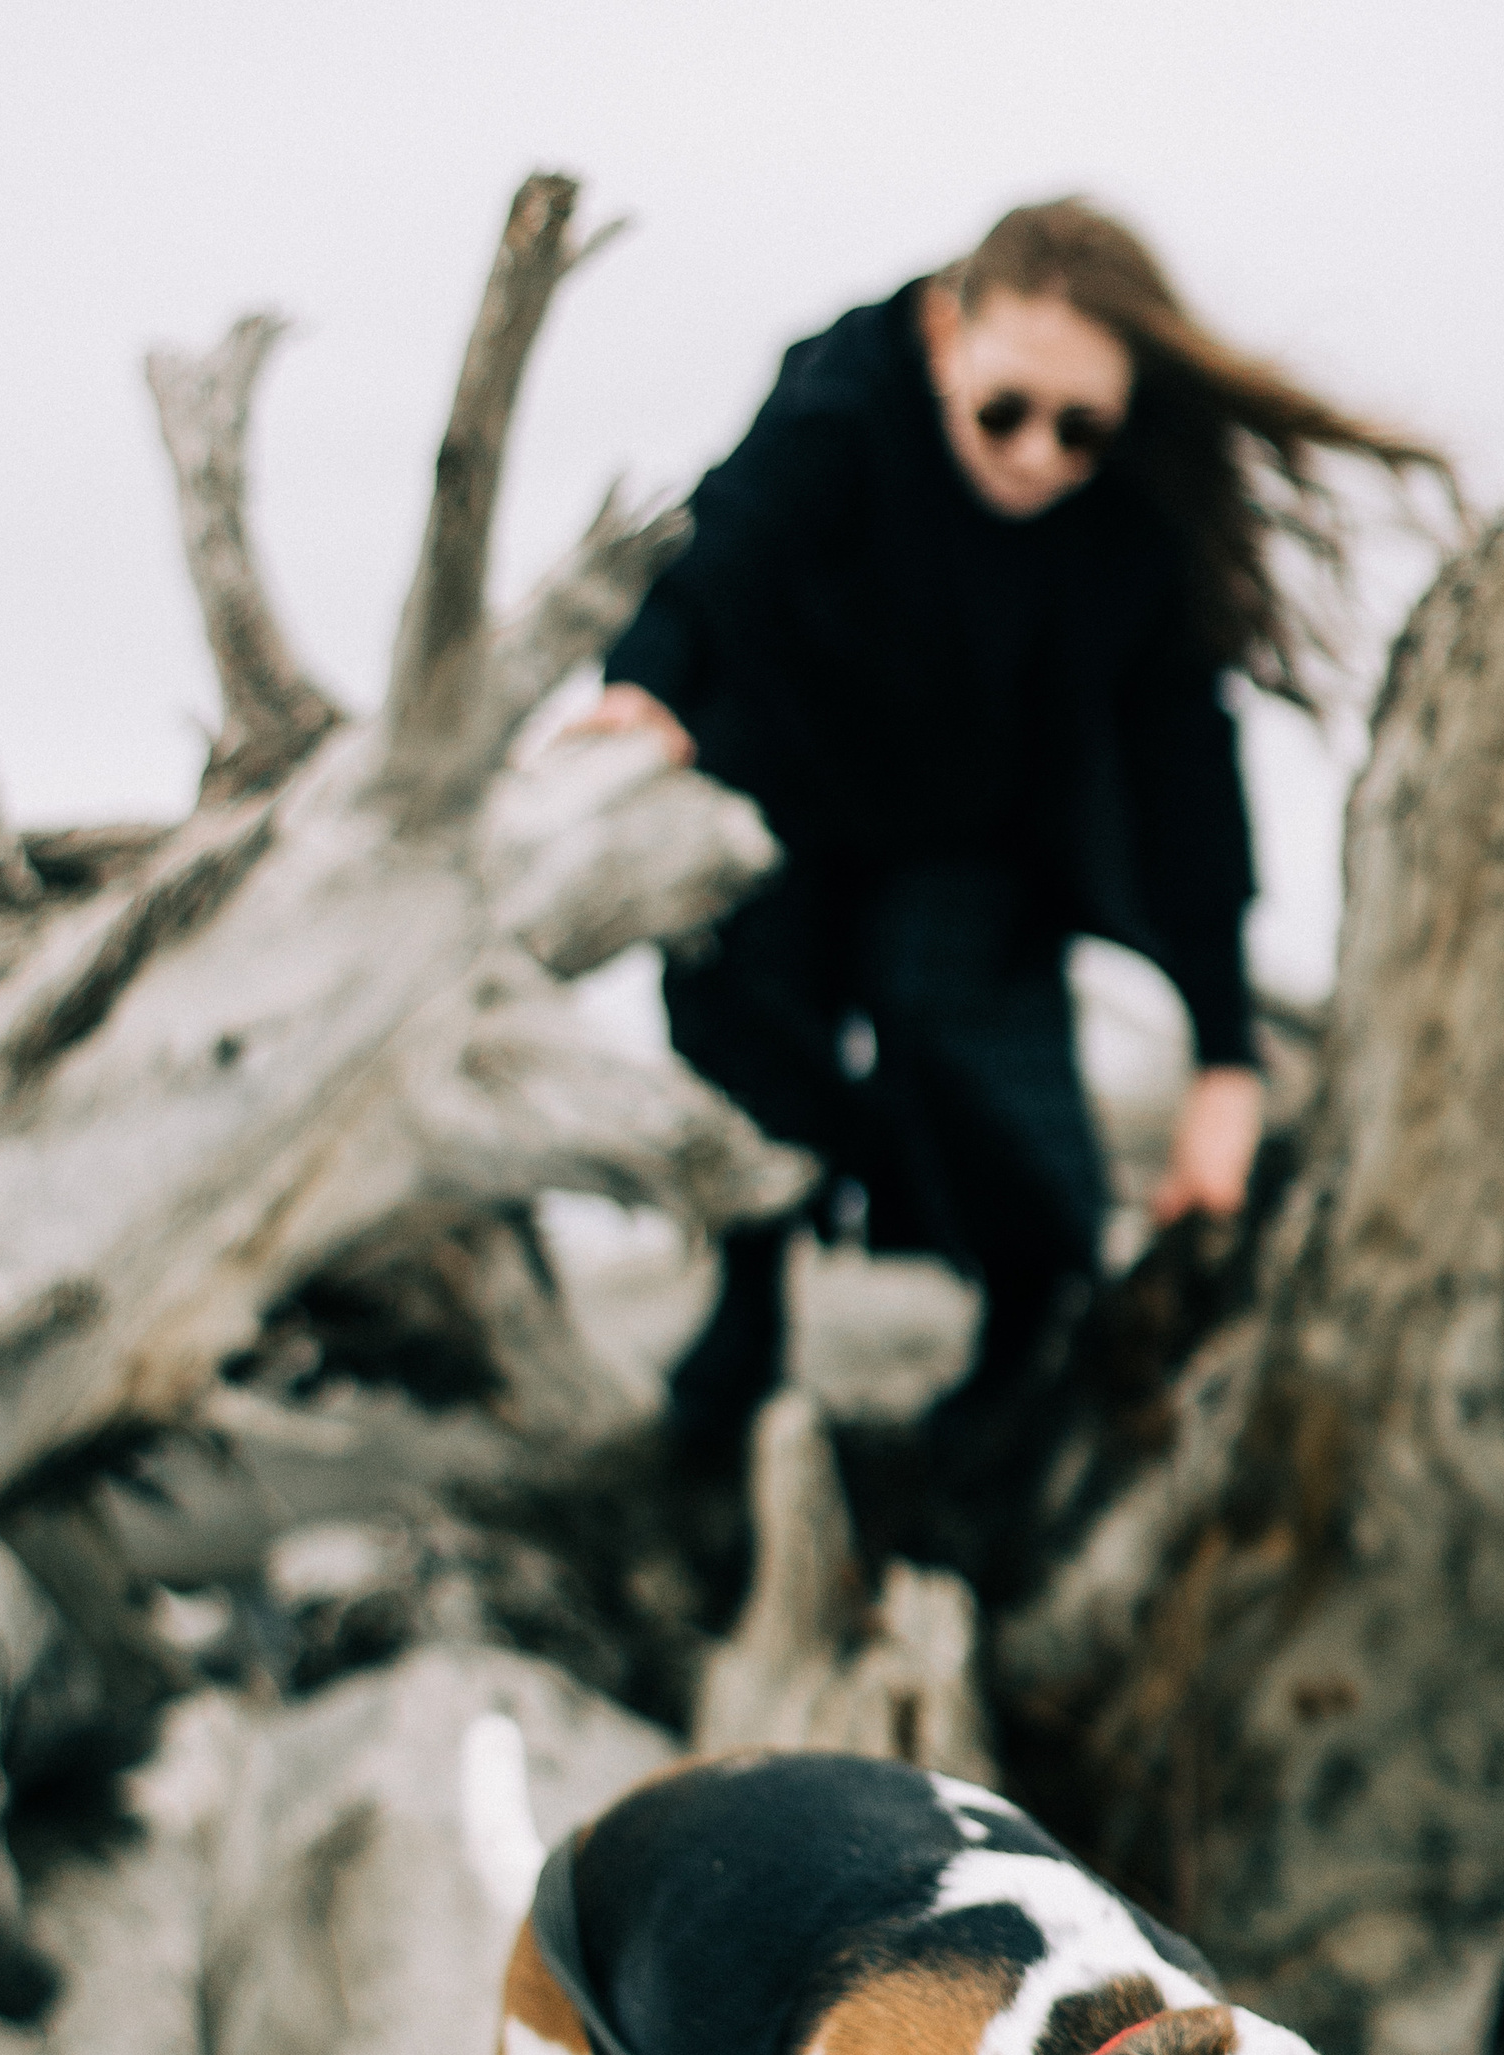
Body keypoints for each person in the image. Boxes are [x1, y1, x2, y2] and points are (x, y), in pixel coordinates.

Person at [581, 197, 1448, 1459]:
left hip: (972, 823)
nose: (1039, 453)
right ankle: (750, 1298)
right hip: (781, 785)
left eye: (1079, 426)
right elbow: (712, 560)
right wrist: (639, 690)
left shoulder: (1133, 507)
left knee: (960, 1029)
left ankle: (1030, 1316)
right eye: (1005, 410)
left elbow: (1184, 768)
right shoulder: (838, 407)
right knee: (748, 1032)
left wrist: (1224, 1060)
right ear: (943, 336)